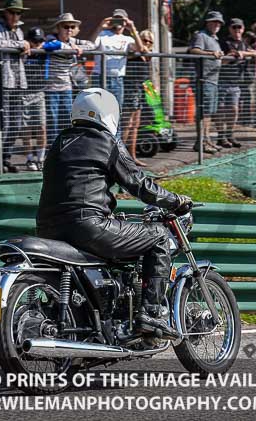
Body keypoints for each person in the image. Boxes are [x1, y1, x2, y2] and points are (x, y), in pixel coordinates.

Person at [36, 88, 193, 339]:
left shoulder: (59, 142)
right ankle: (151, 314)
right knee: (160, 236)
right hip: (89, 226)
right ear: (108, 114)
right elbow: (139, 184)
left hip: (48, 229)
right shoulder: (105, 141)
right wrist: (175, 201)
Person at [0, 0, 30, 174]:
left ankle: (6, 157)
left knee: (17, 123)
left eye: (18, 13)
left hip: (19, 82)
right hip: (2, 82)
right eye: (12, 12)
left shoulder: (19, 30)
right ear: (5, 12)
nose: (15, 16)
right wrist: (21, 45)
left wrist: (25, 49)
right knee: (2, 123)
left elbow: (22, 54)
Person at [43, 13, 94, 146]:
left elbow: (91, 45)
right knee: (52, 122)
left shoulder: (73, 41)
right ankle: (52, 150)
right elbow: (49, 46)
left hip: (67, 87)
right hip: (51, 88)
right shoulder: (51, 38)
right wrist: (72, 49)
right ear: (58, 28)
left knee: (66, 119)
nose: (69, 30)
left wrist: (78, 48)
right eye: (66, 26)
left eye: (72, 27)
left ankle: (65, 148)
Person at [217, 18, 256, 148]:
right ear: (230, 29)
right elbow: (225, 58)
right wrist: (242, 54)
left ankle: (230, 134)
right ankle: (221, 137)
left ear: (243, 29)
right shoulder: (223, 42)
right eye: (234, 27)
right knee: (220, 110)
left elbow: (253, 52)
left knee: (234, 110)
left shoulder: (243, 44)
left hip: (236, 82)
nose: (237, 30)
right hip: (221, 81)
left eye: (240, 27)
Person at [89, 9, 143, 110]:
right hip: (100, 77)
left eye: (121, 19)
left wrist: (132, 29)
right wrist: (100, 27)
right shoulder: (102, 34)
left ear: (126, 22)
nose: (118, 22)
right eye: (116, 19)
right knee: (97, 110)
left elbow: (141, 49)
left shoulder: (127, 39)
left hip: (117, 79)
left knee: (116, 110)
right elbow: (90, 45)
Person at [187, 11, 224, 154]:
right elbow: (194, 50)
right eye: (214, 21)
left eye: (219, 22)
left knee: (209, 113)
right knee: (204, 112)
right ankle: (201, 142)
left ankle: (206, 140)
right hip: (204, 79)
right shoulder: (201, 35)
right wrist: (211, 54)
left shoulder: (214, 38)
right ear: (208, 22)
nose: (217, 24)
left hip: (213, 80)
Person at [122, 29, 153, 166]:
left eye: (149, 41)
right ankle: (120, 156)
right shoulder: (132, 50)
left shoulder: (147, 54)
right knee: (127, 124)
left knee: (135, 124)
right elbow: (138, 50)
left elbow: (147, 58)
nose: (147, 43)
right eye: (144, 39)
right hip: (130, 88)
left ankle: (132, 156)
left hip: (140, 89)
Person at [21, 26, 49, 171]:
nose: (37, 44)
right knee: (26, 127)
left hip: (40, 93)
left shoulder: (45, 50)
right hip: (24, 93)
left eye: (39, 41)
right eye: (34, 41)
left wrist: (44, 45)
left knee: (42, 127)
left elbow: (55, 43)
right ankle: (29, 159)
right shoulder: (23, 50)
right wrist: (25, 47)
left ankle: (41, 158)